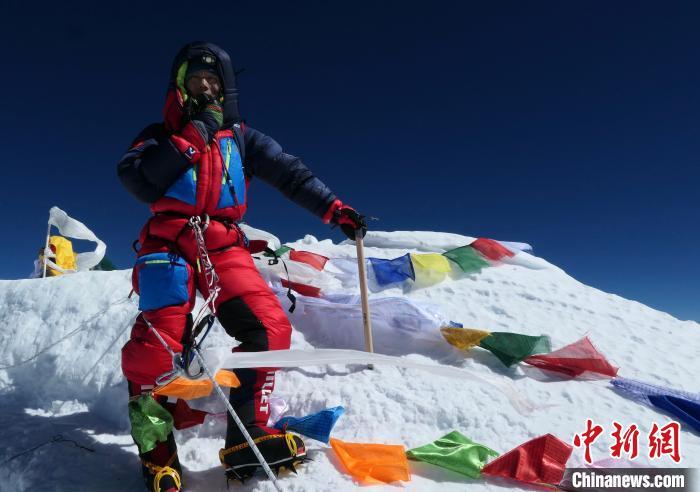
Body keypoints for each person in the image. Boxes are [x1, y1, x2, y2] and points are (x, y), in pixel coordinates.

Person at [117, 41, 366, 492]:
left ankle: (246, 442)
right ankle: (157, 456)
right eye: (197, 80)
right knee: (156, 346)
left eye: (214, 81)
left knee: (270, 329)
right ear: (181, 87)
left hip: (223, 242)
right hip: (168, 241)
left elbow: (291, 174)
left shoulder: (244, 139)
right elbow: (139, 179)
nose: (207, 87)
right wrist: (196, 133)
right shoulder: (157, 134)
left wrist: (335, 210)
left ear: (226, 89)